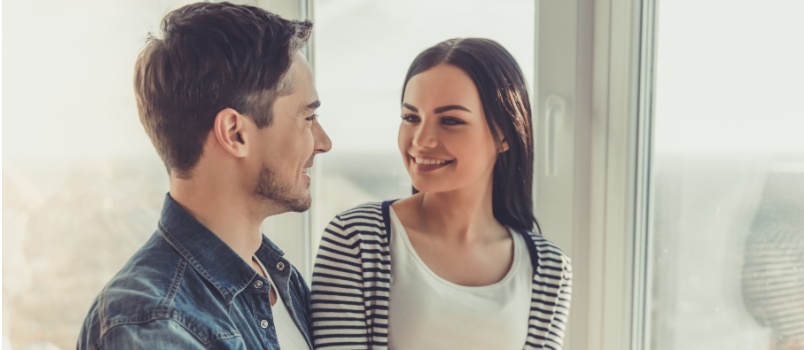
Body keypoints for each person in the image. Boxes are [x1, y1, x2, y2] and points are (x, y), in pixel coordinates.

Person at [77, 2, 331, 349]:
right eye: (307, 118)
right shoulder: (153, 321)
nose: (324, 143)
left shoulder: (278, 278)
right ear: (235, 133)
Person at [310, 38, 572, 350]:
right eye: (411, 118)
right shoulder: (355, 239)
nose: (421, 140)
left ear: (504, 135)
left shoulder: (548, 269)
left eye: (450, 121)